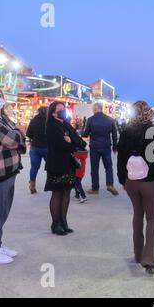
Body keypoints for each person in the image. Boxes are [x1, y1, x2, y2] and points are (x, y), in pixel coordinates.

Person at [117, 101, 154, 275]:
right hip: (150, 182)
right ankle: (149, 259)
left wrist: (122, 180)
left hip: (131, 181)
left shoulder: (125, 131)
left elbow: (120, 158)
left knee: (137, 215)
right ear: (148, 113)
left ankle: (138, 254)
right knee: (152, 219)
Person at [45, 101, 85, 236]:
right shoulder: (51, 125)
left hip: (68, 163)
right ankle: (55, 224)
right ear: (53, 112)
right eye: (60, 109)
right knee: (57, 192)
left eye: (64, 109)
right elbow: (60, 145)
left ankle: (63, 222)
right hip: (56, 164)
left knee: (66, 192)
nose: (63, 111)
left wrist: (70, 141)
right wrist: (70, 143)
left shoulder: (65, 123)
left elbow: (80, 142)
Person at [0, 89, 25, 264]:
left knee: (3, 211)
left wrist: (18, 135)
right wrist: (18, 136)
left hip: (10, 171)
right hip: (1, 173)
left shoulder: (3, 118)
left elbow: (20, 134)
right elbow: (13, 139)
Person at [83, 103, 119, 196]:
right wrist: (115, 147)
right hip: (106, 146)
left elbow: (85, 134)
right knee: (108, 167)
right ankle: (110, 184)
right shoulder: (110, 120)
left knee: (94, 168)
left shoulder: (90, 120)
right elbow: (114, 135)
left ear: (95, 109)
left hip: (94, 147)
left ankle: (95, 188)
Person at [26, 106, 48, 194]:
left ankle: (32, 184)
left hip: (35, 147)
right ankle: (51, 184)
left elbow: (28, 134)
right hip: (47, 148)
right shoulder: (49, 121)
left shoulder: (33, 121)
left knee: (34, 167)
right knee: (50, 166)